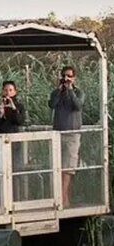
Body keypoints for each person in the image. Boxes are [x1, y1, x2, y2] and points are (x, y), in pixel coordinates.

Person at [48, 65, 85, 208]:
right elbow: (52, 104)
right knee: (58, 167)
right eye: (64, 75)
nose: (66, 78)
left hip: (72, 134)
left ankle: (63, 198)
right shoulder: (56, 92)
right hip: (57, 134)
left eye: (69, 76)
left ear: (74, 78)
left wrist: (70, 90)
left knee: (68, 168)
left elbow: (78, 106)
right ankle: (64, 199)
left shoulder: (79, 92)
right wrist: (60, 90)